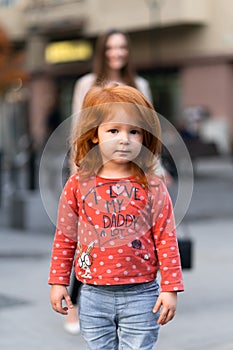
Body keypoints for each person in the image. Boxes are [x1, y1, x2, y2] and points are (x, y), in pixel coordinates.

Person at [49, 83, 184, 350]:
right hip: (92, 294)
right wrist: (58, 281)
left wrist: (170, 288)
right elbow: (65, 237)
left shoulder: (152, 186)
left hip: (142, 293)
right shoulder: (78, 185)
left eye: (134, 131)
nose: (124, 139)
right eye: (114, 130)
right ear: (95, 135)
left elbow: (166, 238)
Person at [66, 28, 163, 334]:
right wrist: (78, 174)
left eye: (122, 47)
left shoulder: (140, 84)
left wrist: (155, 170)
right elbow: (78, 129)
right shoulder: (86, 84)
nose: (116, 52)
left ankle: (135, 297)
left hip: (132, 174)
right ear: (102, 51)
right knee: (85, 240)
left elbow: (147, 131)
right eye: (110, 47)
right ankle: (75, 307)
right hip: (92, 174)